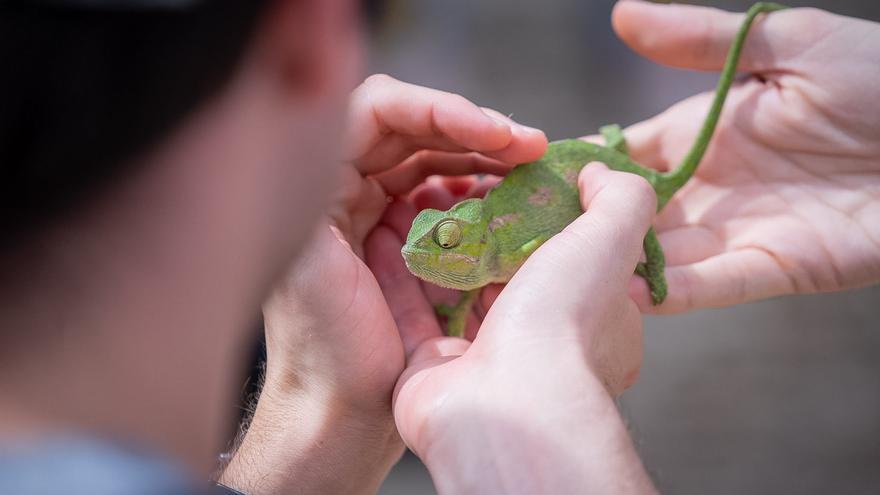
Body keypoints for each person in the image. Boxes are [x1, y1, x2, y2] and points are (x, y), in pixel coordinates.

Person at [0, 1, 877, 495]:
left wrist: (328, 404)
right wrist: (538, 418)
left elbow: (596, 207)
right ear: (313, 36)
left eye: (443, 236)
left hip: (610, 161)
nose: (427, 250)